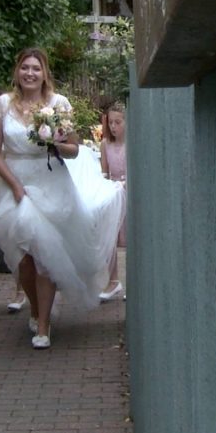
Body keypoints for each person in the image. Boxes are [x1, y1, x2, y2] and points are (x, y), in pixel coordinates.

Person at [0, 48, 124, 349]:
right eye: (25, 68)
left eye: (36, 68)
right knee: (24, 260)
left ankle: (44, 327)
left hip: (51, 183)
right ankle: (35, 310)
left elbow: (74, 149)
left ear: (44, 73)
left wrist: (54, 143)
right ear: (17, 71)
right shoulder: (2, 105)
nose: (30, 74)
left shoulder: (58, 104)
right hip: (17, 185)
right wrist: (14, 184)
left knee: (44, 257)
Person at [99, 102, 127, 301]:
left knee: (129, 238)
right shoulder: (105, 144)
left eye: (118, 122)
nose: (113, 127)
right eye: (111, 123)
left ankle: (133, 281)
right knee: (109, 238)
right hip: (113, 192)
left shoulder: (132, 143)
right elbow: (104, 172)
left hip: (128, 192)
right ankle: (113, 281)